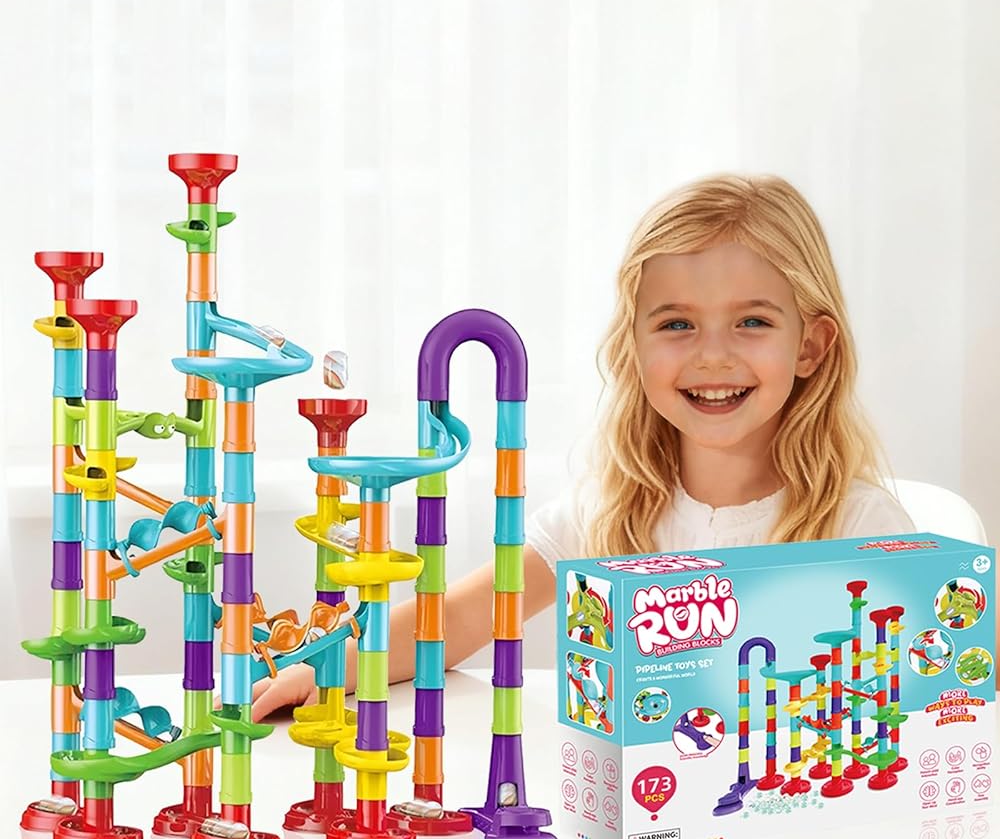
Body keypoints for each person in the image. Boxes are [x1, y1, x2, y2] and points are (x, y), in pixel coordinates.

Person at [248, 173, 913, 721]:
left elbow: (916, 695)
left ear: (810, 346)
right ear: (634, 345)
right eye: (677, 324)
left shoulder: (862, 529)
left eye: (752, 321)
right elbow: (453, 621)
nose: (713, 355)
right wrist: (326, 671)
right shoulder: (605, 511)